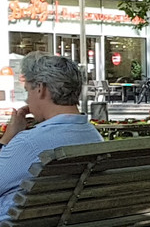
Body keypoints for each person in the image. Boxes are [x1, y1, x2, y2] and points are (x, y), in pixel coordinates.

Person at [0, 55, 105, 215]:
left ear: (40, 89)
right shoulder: (94, 136)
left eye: (28, 91)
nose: (27, 100)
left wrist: (7, 138)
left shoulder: (28, 143)